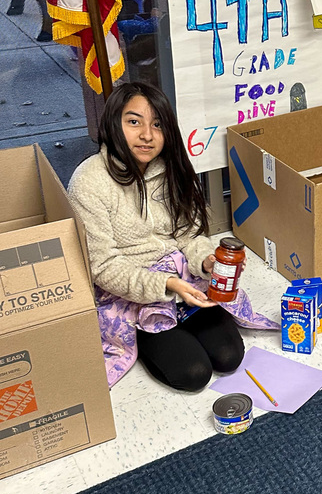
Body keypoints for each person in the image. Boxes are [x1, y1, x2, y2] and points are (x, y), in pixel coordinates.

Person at [68, 81, 246, 391]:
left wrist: (205, 261)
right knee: (193, 374)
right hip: (131, 293)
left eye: (157, 124)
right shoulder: (89, 181)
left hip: (183, 281)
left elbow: (190, 232)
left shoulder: (170, 167)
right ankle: (140, 333)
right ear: (113, 123)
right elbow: (103, 266)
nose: (147, 135)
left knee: (229, 357)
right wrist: (164, 284)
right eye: (134, 122)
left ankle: (177, 317)